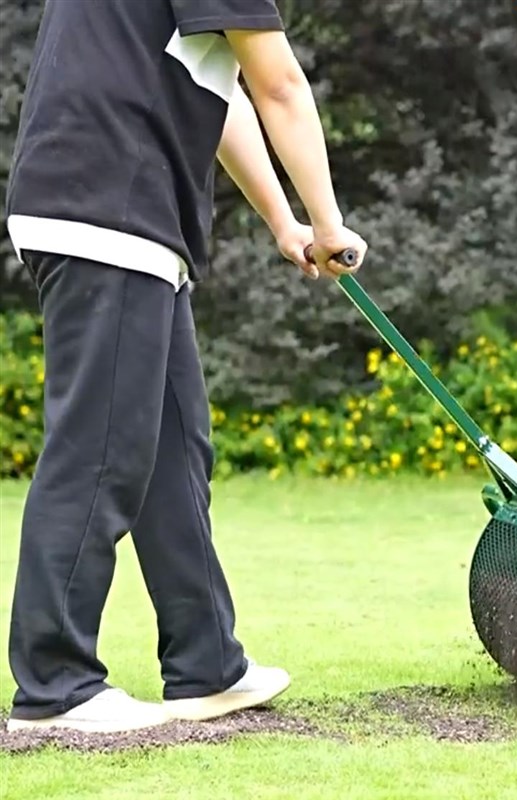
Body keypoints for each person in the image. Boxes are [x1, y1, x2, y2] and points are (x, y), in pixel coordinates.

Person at [4, 0, 367, 734]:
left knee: (173, 450)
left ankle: (207, 664)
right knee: (100, 453)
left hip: (114, 209)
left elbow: (219, 88)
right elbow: (281, 86)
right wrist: (331, 224)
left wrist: (283, 222)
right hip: (109, 207)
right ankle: (55, 685)